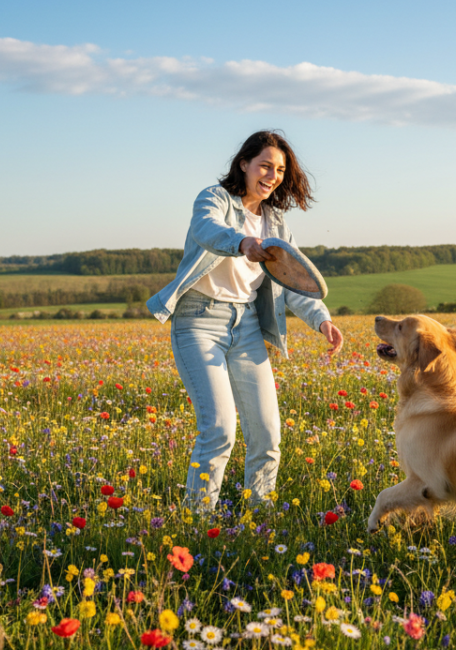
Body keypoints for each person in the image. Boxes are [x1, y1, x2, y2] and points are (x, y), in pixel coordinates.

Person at [147, 131, 343, 509]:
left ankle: (259, 514)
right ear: (244, 164)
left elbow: (295, 281)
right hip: (199, 321)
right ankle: (198, 519)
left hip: (247, 326)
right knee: (219, 430)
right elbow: (207, 230)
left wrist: (322, 320)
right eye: (265, 165)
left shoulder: (276, 224)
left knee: (267, 432)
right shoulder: (215, 199)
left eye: (280, 170)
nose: (272, 175)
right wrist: (242, 243)